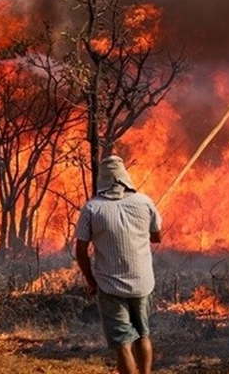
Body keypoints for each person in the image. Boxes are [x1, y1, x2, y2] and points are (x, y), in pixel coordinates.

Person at [75, 155, 163, 374]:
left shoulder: (92, 208)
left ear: (102, 179)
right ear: (125, 177)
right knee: (143, 335)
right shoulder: (144, 202)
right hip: (142, 283)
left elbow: (81, 251)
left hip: (110, 285)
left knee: (123, 343)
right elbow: (157, 237)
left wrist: (91, 281)